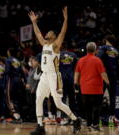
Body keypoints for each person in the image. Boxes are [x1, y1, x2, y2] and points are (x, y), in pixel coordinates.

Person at [28, 6, 81, 135]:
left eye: (50, 33)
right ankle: (40, 127)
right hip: (44, 76)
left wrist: (66, 20)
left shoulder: (55, 46)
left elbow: (63, 33)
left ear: (54, 36)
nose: (47, 33)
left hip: (54, 76)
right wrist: (34, 22)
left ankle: (75, 119)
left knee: (58, 103)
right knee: (38, 98)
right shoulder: (44, 44)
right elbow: (38, 33)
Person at [75, 42, 110, 132]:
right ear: (95, 50)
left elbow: (77, 74)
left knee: (88, 109)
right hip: (97, 89)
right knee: (96, 108)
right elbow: (103, 74)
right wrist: (108, 82)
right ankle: (95, 125)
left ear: (86, 50)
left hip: (85, 89)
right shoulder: (98, 60)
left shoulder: (81, 60)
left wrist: (76, 84)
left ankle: (89, 125)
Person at [97, 34, 119, 127]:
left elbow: (98, 60)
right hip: (113, 75)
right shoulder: (116, 51)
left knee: (99, 96)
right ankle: (111, 118)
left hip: (103, 75)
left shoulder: (103, 48)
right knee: (113, 97)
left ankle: (98, 118)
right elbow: (117, 65)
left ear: (106, 40)